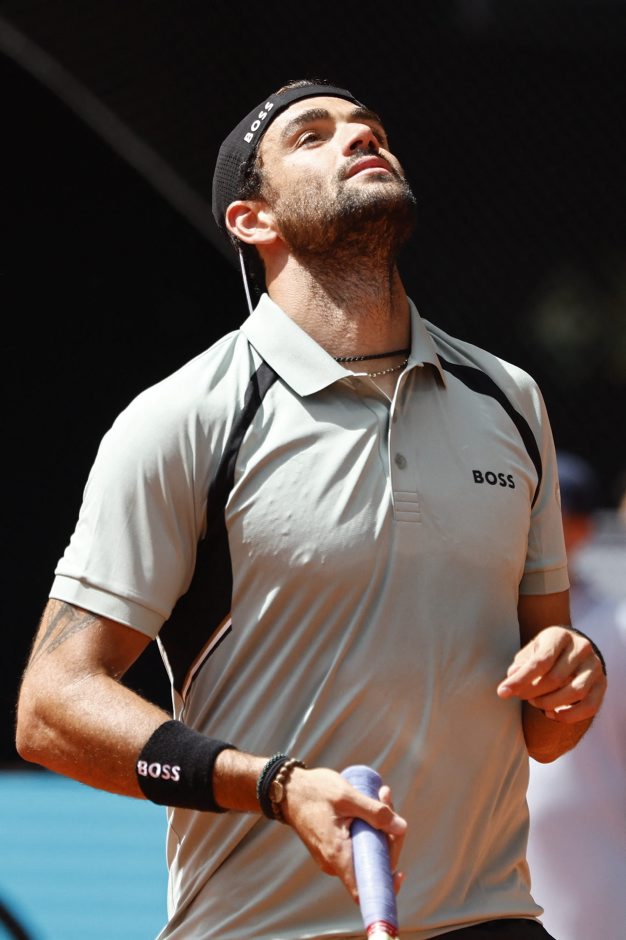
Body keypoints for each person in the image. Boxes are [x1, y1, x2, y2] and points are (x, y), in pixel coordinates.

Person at [15, 79, 607, 940]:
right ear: (253, 219)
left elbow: (544, 725)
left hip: (492, 918)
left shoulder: (510, 398)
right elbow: (52, 708)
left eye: (371, 129)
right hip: (263, 929)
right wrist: (277, 787)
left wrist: (576, 675)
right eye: (313, 135)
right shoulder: (184, 417)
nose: (361, 138)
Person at [525, 452, 626, 940]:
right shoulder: (489, 618)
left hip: (596, 866)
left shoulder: (618, 624)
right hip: (502, 863)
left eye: (555, 515)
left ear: (584, 528)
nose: (534, 527)